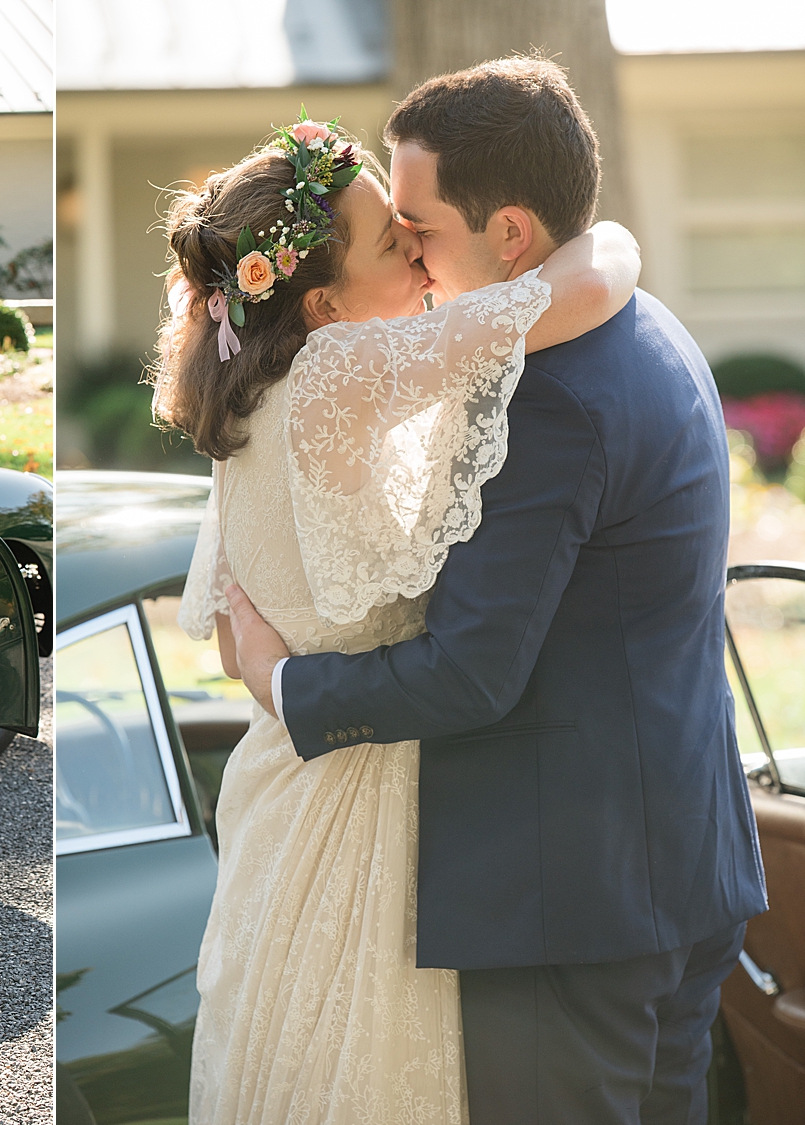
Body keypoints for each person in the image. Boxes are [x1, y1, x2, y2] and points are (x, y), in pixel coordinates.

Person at [217, 58, 767, 1124]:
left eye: (417, 226)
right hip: (685, 863)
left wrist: (284, 686)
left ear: (510, 235)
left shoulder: (545, 400)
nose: (413, 252)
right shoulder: (646, 322)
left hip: (572, 910)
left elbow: (471, 672)